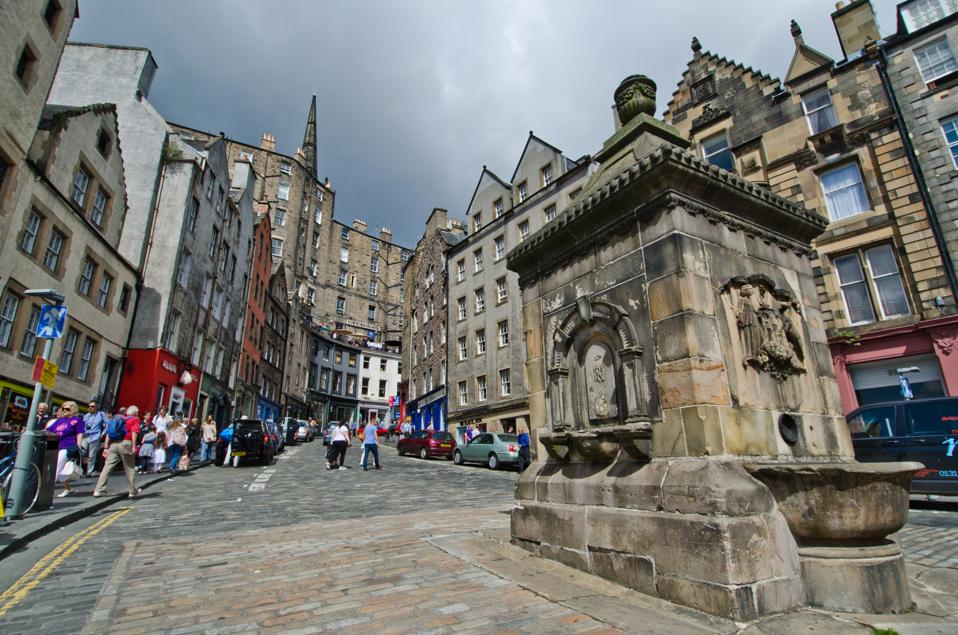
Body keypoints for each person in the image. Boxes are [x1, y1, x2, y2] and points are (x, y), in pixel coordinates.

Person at [93, 404, 142, 498]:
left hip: (113, 444)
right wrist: (134, 446)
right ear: (136, 413)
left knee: (107, 467)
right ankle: (132, 491)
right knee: (129, 468)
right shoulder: (135, 419)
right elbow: (134, 433)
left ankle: (98, 490)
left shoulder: (118, 418)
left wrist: (106, 447)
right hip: (126, 444)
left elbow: (108, 433)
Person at [45, 401, 84, 498]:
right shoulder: (60, 420)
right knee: (57, 468)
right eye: (63, 409)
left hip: (67, 445)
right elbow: (48, 430)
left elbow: (80, 433)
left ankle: (46, 491)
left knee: (56, 467)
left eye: (67, 409)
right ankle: (68, 489)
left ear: (73, 409)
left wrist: (78, 446)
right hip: (54, 444)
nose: (64, 410)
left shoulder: (77, 420)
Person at [82, 400, 108, 477]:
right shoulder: (86, 416)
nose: (90, 408)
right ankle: (79, 469)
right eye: (89, 406)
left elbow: (108, 424)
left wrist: (102, 434)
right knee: (81, 453)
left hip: (95, 437)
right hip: (85, 436)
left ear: (96, 407)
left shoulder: (101, 414)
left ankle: (89, 472)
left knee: (91, 455)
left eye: (92, 406)